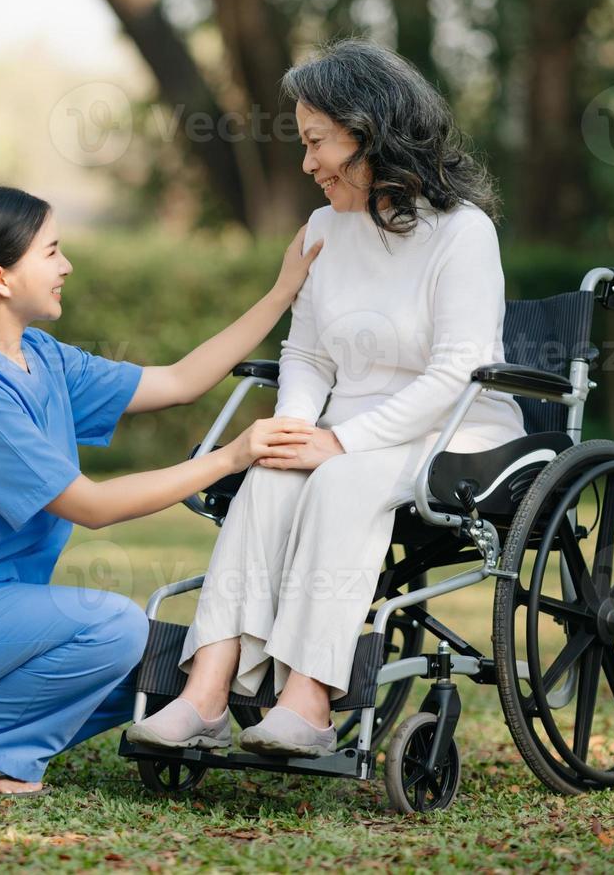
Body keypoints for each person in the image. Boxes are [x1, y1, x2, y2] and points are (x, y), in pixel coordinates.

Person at [0, 182, 320, 796]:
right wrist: (227, 458)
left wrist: (282, 292)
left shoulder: (40, 357)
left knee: (165, 667)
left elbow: (179, 381)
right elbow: (90, 507)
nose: (66, 265)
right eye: (51, 251)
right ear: (0, 276)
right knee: (112, 628)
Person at [128, 39, 527, 758]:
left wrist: (339, 442)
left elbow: (455, 372)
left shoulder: (463, 233)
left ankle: (308, 703)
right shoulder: (322, 229)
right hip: (349, 430)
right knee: (272, 468)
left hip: (458, 432)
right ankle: (206, 692)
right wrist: (293, 429)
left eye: (316, 142)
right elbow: (307, 355)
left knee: (339, 476)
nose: (307, 163)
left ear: (369, 133)